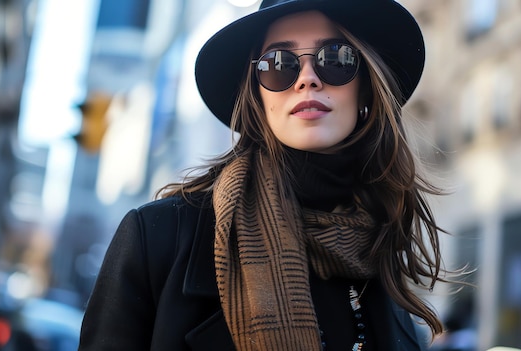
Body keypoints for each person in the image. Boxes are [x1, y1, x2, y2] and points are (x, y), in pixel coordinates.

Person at [78, 0, 449, 350]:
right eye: (279, 64)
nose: (307, 79)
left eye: (336, 58)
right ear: (257, 94)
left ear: (366, 84)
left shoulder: (381, 260)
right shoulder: (158, 240)